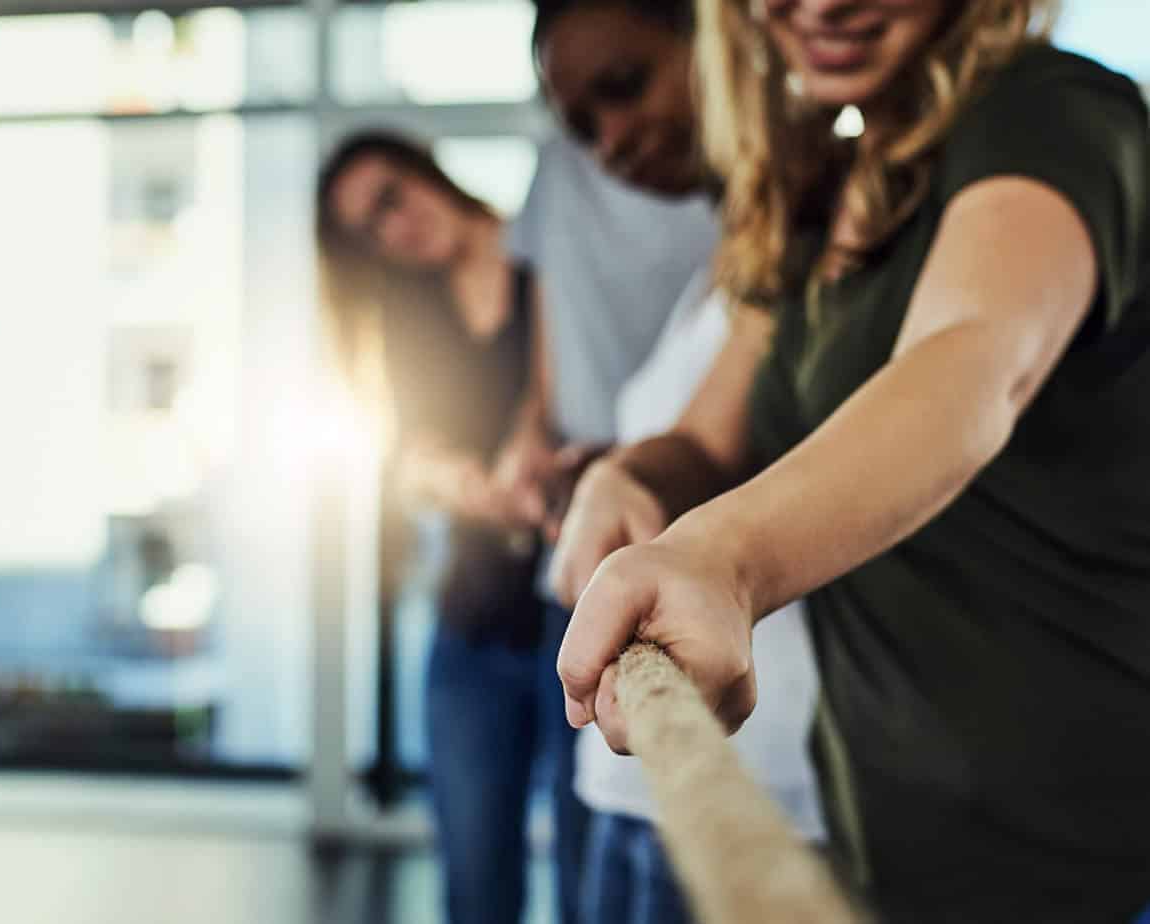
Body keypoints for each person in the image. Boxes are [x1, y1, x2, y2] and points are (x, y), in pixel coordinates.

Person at [553, 1, 1150, 921]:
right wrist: (626, 478)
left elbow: (971, 359)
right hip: (883, 831)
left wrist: (727, 560)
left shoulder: (1051, 110)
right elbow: (710, 438)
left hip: (1078, 850)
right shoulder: (821, 181)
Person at [511, 3, 827, 923]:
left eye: (625, 86)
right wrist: (602, 476)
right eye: (582, 126)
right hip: (638, 785)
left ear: (719, 35)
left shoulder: (830, 229)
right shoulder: (740, 259)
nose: (609, 142)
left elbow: (709, 449)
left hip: (758, 786)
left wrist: (629, 479)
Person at [315, 130, 568, 924]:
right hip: (474, 624)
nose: (393, 232)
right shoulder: (408, 310)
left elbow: (561, 401)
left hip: (580, 611)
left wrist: (534, 440)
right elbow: (406, 455)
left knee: (594, 880)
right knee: (474, 885)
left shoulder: (546, 250)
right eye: (368, 232)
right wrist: (456, 482)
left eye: (389, 198)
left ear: (422, 170)